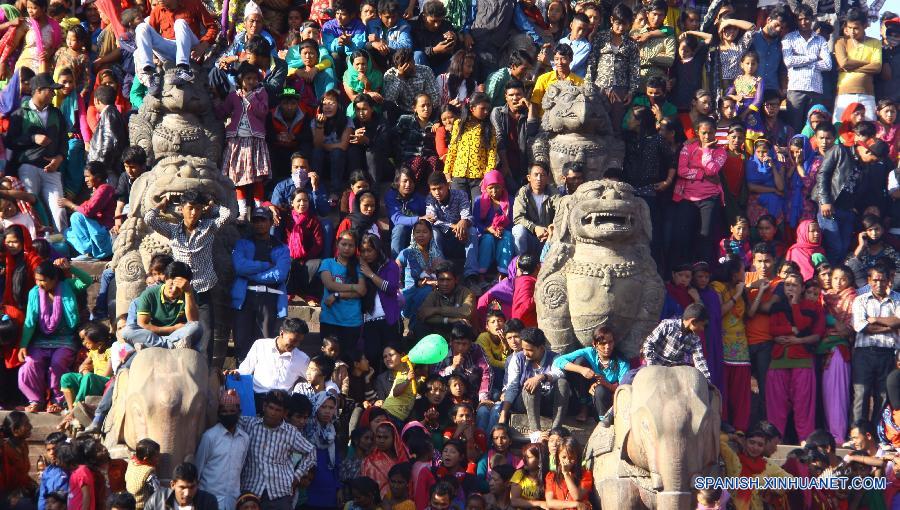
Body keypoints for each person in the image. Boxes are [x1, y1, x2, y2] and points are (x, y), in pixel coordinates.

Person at [144, 190, 233, 363]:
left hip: (203, 287)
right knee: (182, 332)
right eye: (190, 208)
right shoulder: (172, 230)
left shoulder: (209, 228)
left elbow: (226, 214)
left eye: (198, 209)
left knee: (206, 332)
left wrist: (212, 206)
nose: (194, 213)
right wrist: (162, 205)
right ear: (181, 209)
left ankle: (204, 369)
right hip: (179, 291)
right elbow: (149, 219)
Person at [16, 260, 84, 413]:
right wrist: (23, 345)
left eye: (43, 280)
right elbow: (30, 321)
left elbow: (86, 280)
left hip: (65, 339)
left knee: (58, 362)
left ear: (54, 279)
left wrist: (70, 267)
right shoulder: (34, 293)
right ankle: (36, 401)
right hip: (41, 340)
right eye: (37, 279)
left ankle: (58, 401)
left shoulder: (68, 286)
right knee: (29, 365)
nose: (39, 283)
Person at [5, 73, 67, 234]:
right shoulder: (20, 113)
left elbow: (63, 142)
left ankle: (64, 249)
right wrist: (33, 137)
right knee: (33, 207)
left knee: (59, 210)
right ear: (39, 90)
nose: (54, 94)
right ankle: (39, 246)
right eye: (50, 90)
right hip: (28, 167)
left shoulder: (56, 113)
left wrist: (59, 159)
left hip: (52, 169)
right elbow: (10, 141)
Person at [238, 390, 315, 510]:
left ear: (285, 413)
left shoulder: (290, 432)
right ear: (264, 407)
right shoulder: (249, 424)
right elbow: (230, 415)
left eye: (278, 410)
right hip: (251, 490)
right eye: (271, 408)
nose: (273, 413)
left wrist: (297, 476)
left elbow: (311, 452)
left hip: (280, 493)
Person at [231, 207, 290, 361]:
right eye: (256, 220)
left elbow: (280, 274)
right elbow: (239, 267)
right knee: (242, 343)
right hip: (245, 297)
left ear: (271, 222)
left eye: (263, 220)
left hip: (269, 299)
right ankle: (241, 381)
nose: (259, 224)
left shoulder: (282, 247)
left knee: (265, 344)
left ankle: (261, 383)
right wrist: (265, 266)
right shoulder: (242, 243)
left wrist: (252, 275)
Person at [219, 62, 272, 221]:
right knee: (238, 178)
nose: (251, 81)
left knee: (257, 178)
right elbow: (223, 111)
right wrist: (214, 103)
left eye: (254, 78)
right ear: (240, 80)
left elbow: (262, 112)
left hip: (255, 140)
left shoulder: (261, 93)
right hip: (237, 141)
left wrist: (251, 97)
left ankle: (259, 209)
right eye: (248, 78)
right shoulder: (233, 95)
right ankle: (242, 212)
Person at [134, 0, 218, 95]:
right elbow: (151, 36)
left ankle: (184, 70)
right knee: (141, 27)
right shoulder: (157, 10)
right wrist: (154, 59)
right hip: (169, 50)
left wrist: (203, 44)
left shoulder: (193, 3)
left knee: (180, 23)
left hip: (191, 50)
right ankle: (151, 75)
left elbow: (213, 27)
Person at [498, 327, 569, 436]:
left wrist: (541, 377)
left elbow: (560, 373)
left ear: (541, 348)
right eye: (523, 349)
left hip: (547, 401)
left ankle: (556, 430)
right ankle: (535, 432)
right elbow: (512, 387)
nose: (525, 353)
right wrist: (503, 414)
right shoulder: (517, 358)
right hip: (525, 402)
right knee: (531, 384)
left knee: (562, 383)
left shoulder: (555, 357)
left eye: (530, 350)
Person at [851, 265, 900, 424]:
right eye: (875, 280)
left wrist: (874, 319)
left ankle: (878, 435)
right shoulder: (860, 300)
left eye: (883, 280)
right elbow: (861, 327)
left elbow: (898, 321)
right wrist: (889, 327)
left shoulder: (897, 299)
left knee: (883, 395)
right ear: (869, 281)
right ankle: (858, 432)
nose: (879, 284)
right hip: (864, 353)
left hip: (888, 353)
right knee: (861, 392)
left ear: (889, 281)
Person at [553, 324, 628, 425]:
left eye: (610, 342)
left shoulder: (621, 361)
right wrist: (581, 370)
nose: (608, 347)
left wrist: (605, 384)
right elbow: (558, 361)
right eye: (603, 343)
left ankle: (603, 420)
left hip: (609, 400)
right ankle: (584, 407)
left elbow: (624, 389)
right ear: (595, 344)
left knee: (600, 390)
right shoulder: (589, 352)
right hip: (587, 394)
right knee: (579, 361)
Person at [122, 261, 203, 351]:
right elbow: (142, 325)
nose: (174, 290)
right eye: (171, 284)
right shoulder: (149, 294)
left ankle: (156, 345)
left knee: (197, 327)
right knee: (127, 332)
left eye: (179, 287)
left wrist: (188, 292)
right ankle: (170, 345)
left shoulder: (190, 293)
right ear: (165, 279)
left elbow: (193, 321)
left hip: (178, 335)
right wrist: (173, 328)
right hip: (154, 335)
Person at [194, 390, 249, 510]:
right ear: (219, 414)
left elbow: (241, 467)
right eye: (224, 411)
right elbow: (198, 468)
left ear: (239, 413)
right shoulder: (209, 437)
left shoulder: (244, 439)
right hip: (208, 501)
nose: (228, 414)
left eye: (232, 411)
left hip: (232, 501)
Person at [781, 5, 832, 133]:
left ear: (812, 19)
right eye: (800, 19)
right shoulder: (789, 38)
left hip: (815, 90)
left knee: (814, 129)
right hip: (796, 89)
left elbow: (827, 64)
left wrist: (804, 62)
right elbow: (788, 61)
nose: (803, 22)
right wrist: (813, 57)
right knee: (794, 128)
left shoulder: (820, 40)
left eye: (807, 19)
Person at [425, 172, 479, 281]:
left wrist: (464, 221)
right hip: (442, 240)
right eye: (433, 189)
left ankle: (471, 274)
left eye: (440, 188)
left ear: (447, 185)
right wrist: (455, 225)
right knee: (434, 231)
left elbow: (467, 215)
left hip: (459, 238)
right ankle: (442, 270)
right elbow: (432, 220)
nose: (437, 192)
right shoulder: (430, 199)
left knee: (472, 230)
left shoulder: (461, 195)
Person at [319, 230, 367, 352]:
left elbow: (362, 291)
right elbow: (330, 285)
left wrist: (337, 294)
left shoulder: (359, 266)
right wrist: (354, 287)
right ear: (337, 244)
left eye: (351, 245)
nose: (347, 248)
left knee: (348, 361)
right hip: (330, 320)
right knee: (328, 360)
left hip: (352, 321)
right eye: (344, 244)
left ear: (355, 247)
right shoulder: (327, 263)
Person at [358, 233, 402, 366]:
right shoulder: (360, 268)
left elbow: (390, 288)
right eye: (363, 251)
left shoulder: (390, 266)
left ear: (377, 249)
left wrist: (370, 275)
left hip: (388, 319)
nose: (366, 254)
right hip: (369, 321)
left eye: (369, 250)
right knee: (372, 356)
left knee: (391, 359)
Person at [833, 7, 881, 123]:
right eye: (849, 28)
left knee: (869, 131)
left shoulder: (875, 42)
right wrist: (868, 63)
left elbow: (877, 67)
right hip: (843, 93)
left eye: (856, 28)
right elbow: (844, 63)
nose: (852, 32)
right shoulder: (840, 42)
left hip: (867, 94)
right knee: (840, 131)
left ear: (865, 26)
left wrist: (849, 67)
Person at [58, 162, 115, 260]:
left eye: (88, 176)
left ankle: (88, 250)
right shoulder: (96, 191)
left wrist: (69, 204)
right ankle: (89, 252)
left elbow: (87, 211)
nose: (85, 180)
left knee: (76, 217)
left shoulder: (105, 188)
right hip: (96, 234)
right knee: (67, 232)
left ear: (98, 177)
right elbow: (84, 208)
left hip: (104, 236)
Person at [642, 302, 712, 382]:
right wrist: (651, 366)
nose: (703, 329)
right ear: (693, 322)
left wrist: (707, 380)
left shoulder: (695, 339)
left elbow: (700, 360)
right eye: (702, 325)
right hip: (654, 366)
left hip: (674, 375)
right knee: (629, 379)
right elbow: (648, 343)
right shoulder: (667, 325)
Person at [59, 321, 112, 412]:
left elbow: (107, 374)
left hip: (105, 381)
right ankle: (70, 409)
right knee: (66, 377)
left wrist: (89, 376)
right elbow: (82, 366)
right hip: (91, 379)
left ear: (99, 344)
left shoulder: (110, 352)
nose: (84, 344)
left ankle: (76, 408)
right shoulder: (93, 352)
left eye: (87, 343)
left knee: (88, 377)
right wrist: (84, 371)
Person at [416, 261, 475, 338]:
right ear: (437, 280)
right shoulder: (433, 294)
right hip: (438, 333)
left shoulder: (466, 293)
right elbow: (422, 314)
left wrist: (436, 310)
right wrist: (448, 320)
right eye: (441, 280)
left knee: (461, 324)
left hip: (459, 335)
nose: (445, 284)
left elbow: (466, 312)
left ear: (456, 280)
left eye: (448, 279)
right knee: (420, 327)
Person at [490, 80, 530, 187]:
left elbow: (534, 132)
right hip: (504, 163)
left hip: (525, 166)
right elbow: (499, 137)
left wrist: (530, 108)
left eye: (518, 94)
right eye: (511, 95)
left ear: (524, 95)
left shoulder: (529, 113)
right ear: (506, 97)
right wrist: (505, 166)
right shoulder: (498, 112)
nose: (515, 98)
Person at [512, 163, 557, 257]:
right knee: (518, 230)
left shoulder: (553, 192)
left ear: (548, 178)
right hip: (530, 238)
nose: (539, 179)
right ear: (529, 177)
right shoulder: (523, 192)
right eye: (536, 175)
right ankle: (522, 264)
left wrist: (552, 227)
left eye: (543, 175)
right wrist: (535, 228)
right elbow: (518, 218)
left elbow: (561, 210)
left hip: (548, 237)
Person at [530, 43, 583, 120]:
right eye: (556, 59)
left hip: (568, 123)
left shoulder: (579, 82)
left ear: (571, 59)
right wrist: (532, 123)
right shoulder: (543, 79)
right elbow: (534, 103)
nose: (559, 63)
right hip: (544, 122)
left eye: (563, 59)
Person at [382, 48, 439, 115]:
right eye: (407, 67)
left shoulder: (425, 71)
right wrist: (399, 78)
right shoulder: (390, 74)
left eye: (412, 62)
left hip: (424, 110)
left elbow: (434, 97)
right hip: (402, 111)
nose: (412, 67)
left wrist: (421, 109)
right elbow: (389, 98)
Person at [144, 463, 218, 510]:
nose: (187, 493)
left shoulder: (208, 502)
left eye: (192, 487)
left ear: (197, 485)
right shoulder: (157, 499)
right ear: (173, 485)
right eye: (182, 488)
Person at [544, 437, 592, 510]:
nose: (567, 461)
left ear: (577, 458)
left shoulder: (585, 475)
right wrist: (575, 504)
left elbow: (577, 496)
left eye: (571, 457)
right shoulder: (551, 476)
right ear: (558, 457)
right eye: (564, 457)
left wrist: (566, 474)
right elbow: (549, 503)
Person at [124, 438, 161, 510]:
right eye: (156, 456)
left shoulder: (132, 462)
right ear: (145, 459)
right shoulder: (148, 472)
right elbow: (158, 492)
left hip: (129, 505)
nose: (159, 458)